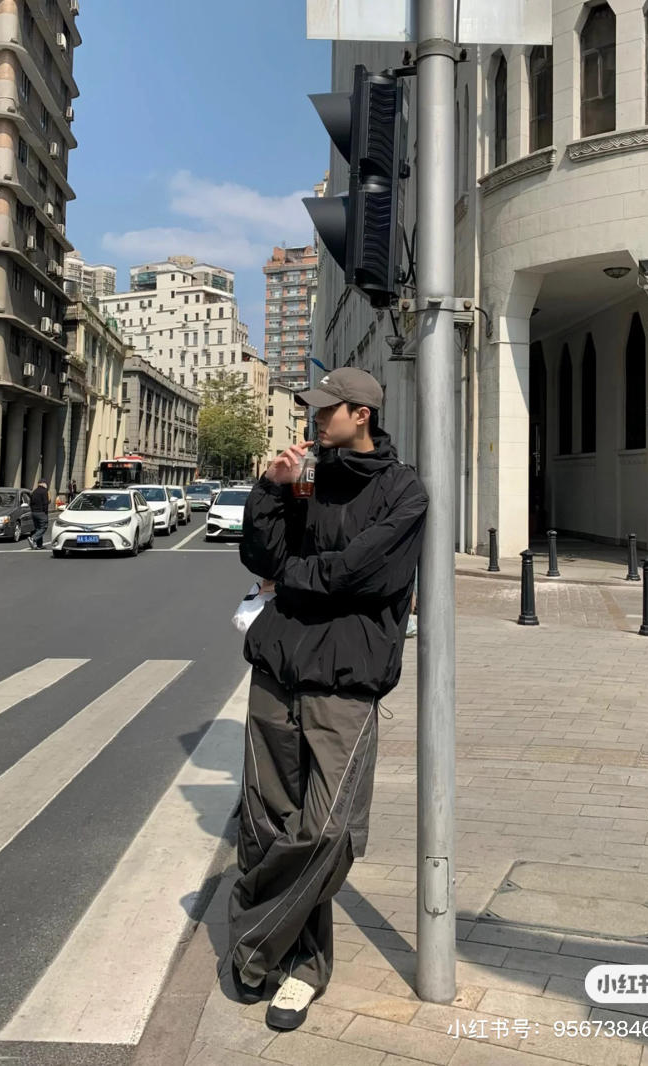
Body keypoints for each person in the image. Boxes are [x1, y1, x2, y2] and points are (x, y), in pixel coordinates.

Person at [229, 367, 428, 1031]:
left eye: (324, 411)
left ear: (360, 414)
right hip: (277, 669)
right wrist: (270, 489)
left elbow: (364, 576)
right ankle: (301, 968)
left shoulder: (404, 491)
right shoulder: (306, 478)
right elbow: (261, 557)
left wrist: (289, 579)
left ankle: (251, 933)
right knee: (267, 826)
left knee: (330, 830)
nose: (314, 421)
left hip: (346, 681)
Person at [28, 479, 49, 549]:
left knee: (38, 528)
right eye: (46, 484)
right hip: (41, 512)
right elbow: (45, 503)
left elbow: (30, 503)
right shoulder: (44, 491)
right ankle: (33, 538)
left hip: (34, 512)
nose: (47, 485)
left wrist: (33, 510)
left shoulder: (34, 492)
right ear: (43, 484)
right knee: (44, 527)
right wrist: (45, 512)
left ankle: (39, 545)